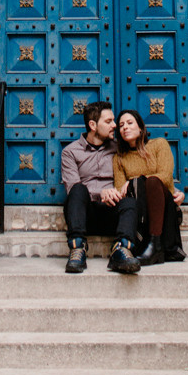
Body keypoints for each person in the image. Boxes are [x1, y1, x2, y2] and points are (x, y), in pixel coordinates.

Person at [61, 101, 141, 274]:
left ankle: (121, 251)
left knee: (130, 203)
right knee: (77, 189)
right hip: (84, 215)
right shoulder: (70, 152)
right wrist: (100, 193)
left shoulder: (119, 148)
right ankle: (77, 249)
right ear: (92, 125)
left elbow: (141, 167)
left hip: (112, 214)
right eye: (108, 121)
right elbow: (72, 188)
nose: (115, 125)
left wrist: (169, 188)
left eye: (114, 121)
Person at [113, 109, 186, 265]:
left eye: (129, 123)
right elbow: (121, 191)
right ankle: (152, 246)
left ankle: (155, 245)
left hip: (164, 207)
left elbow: (165, 177)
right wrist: (135, 183)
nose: (125, 127)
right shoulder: (119, 158)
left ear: (140, 127)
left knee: (152, 181)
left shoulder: (159, 145)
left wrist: (136, 179)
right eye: (121, 125)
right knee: (140, 188)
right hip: (140, 210)